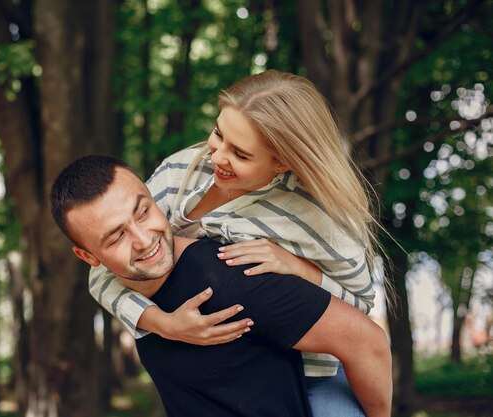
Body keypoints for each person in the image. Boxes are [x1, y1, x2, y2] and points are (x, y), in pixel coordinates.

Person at [89, 70, 384, 416]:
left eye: (241, 155)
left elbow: (361, 307)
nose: (216, 157)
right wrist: (162, 323)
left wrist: (301, 270)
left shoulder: (314, 215)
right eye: (218, 134)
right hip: (217, 373)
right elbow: (103, 269)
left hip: (310, 376)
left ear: (282, 163)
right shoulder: (181, 170)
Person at [50, 156, 392, 417]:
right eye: (116, 237)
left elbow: (367, 341)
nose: (142, 240)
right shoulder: (129, 293)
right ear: (87, 256)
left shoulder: (230, 275)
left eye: (143, 212)